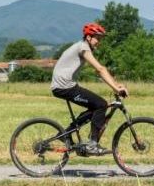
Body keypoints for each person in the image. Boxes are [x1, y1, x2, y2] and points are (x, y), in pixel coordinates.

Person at [50, 22, 128, 156]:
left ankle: (65, 134)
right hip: (65, 87)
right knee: (101, 104)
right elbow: (100, 69)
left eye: (100, 39)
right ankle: (92, 144)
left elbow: (100, 71)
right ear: (88, 37)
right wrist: (116, 88)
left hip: (64, 86)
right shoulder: (83, 48)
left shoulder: (83, 47)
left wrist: (116, 85)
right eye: (97, 38)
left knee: (95, 107)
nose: (99, 42)